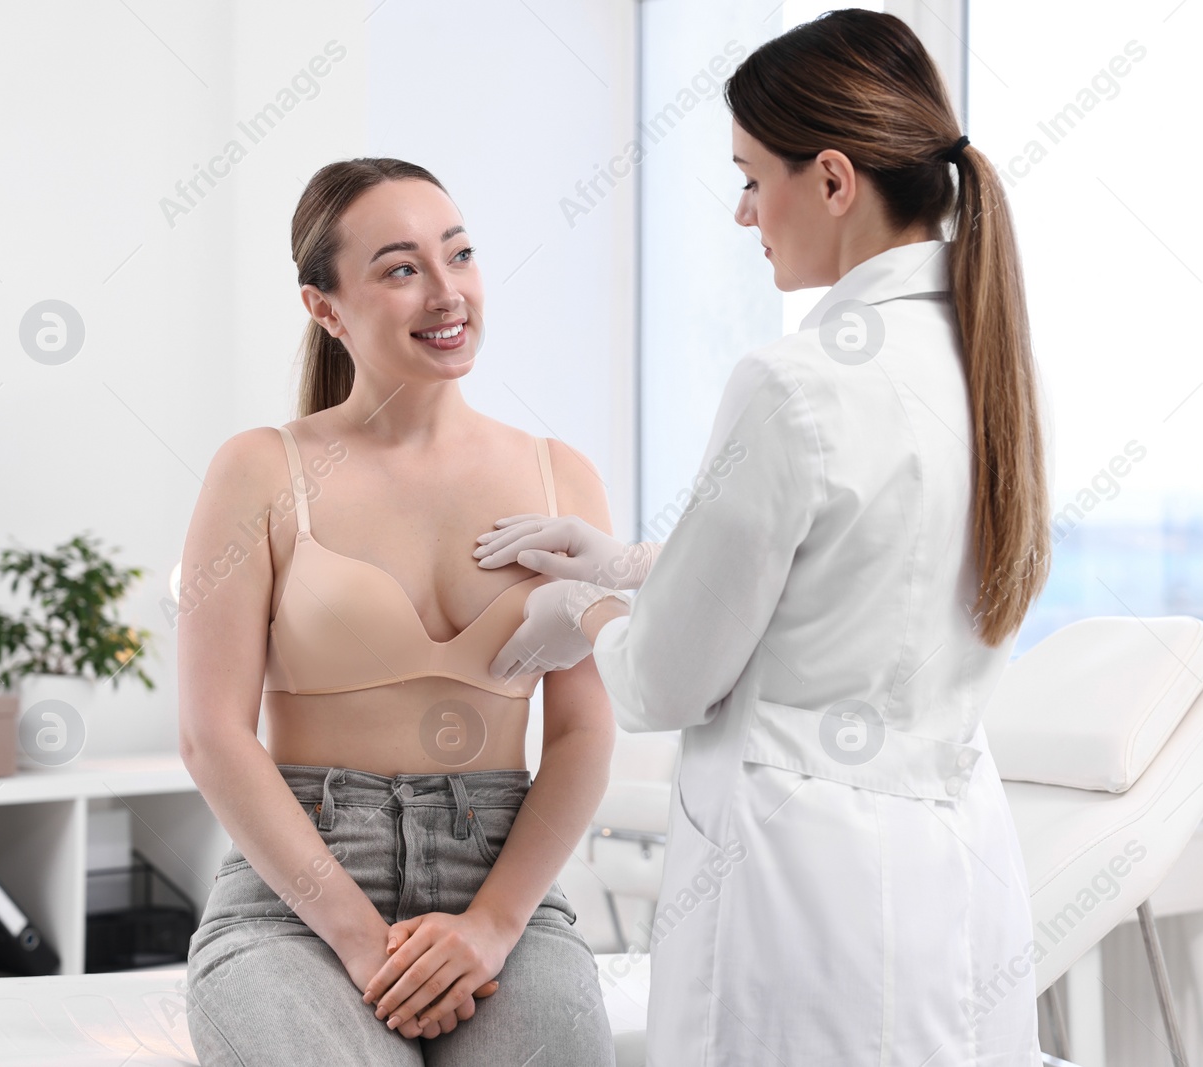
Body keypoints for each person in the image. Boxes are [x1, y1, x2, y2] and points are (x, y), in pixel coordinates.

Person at [476, 10, 1050, 1064]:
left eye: (750, 177)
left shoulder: (794, 381)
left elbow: (658, 684)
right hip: (953, 868)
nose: (743, 214)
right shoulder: (984, 364)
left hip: (806, 893)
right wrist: (630, 563)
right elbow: (860, 588)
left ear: (831, 180)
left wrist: (585, 611)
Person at [177, 158, 617, 1065]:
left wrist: (492, 925)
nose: (447, 291)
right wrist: (357, 936)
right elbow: (213, 735)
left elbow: (581, 734)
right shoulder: (261, 470)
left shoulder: (559, 474)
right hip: (297, 896)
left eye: (459, 254)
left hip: (503, 880)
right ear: (325, 307)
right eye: (400, 267)